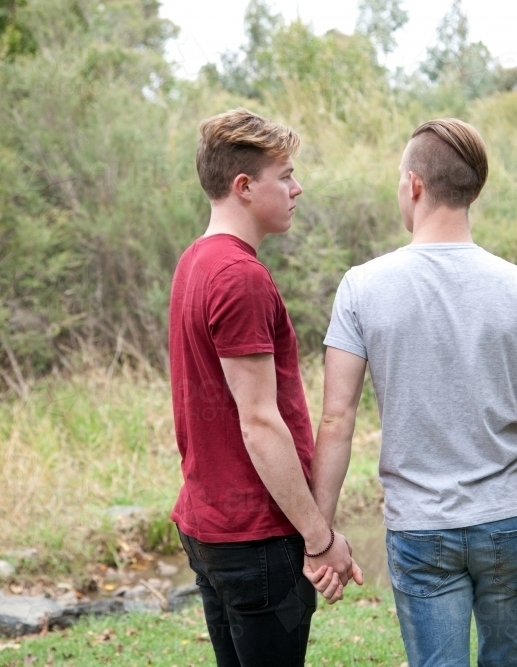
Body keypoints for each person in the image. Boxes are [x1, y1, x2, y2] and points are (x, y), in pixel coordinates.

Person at [308, 118, 517, 666]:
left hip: (420, 526)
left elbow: (337, 420)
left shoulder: (363, 286)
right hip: (506, 520)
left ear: (413, 185)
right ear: (472, 190)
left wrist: (322, 532)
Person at [168, 108, 361, 667]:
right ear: (244, 187)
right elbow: (258, 422)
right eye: (286, 175)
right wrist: (320, 539)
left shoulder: (195, 262)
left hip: (212, 529)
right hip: (256, 538)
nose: (298, 188)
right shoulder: (239, 277)